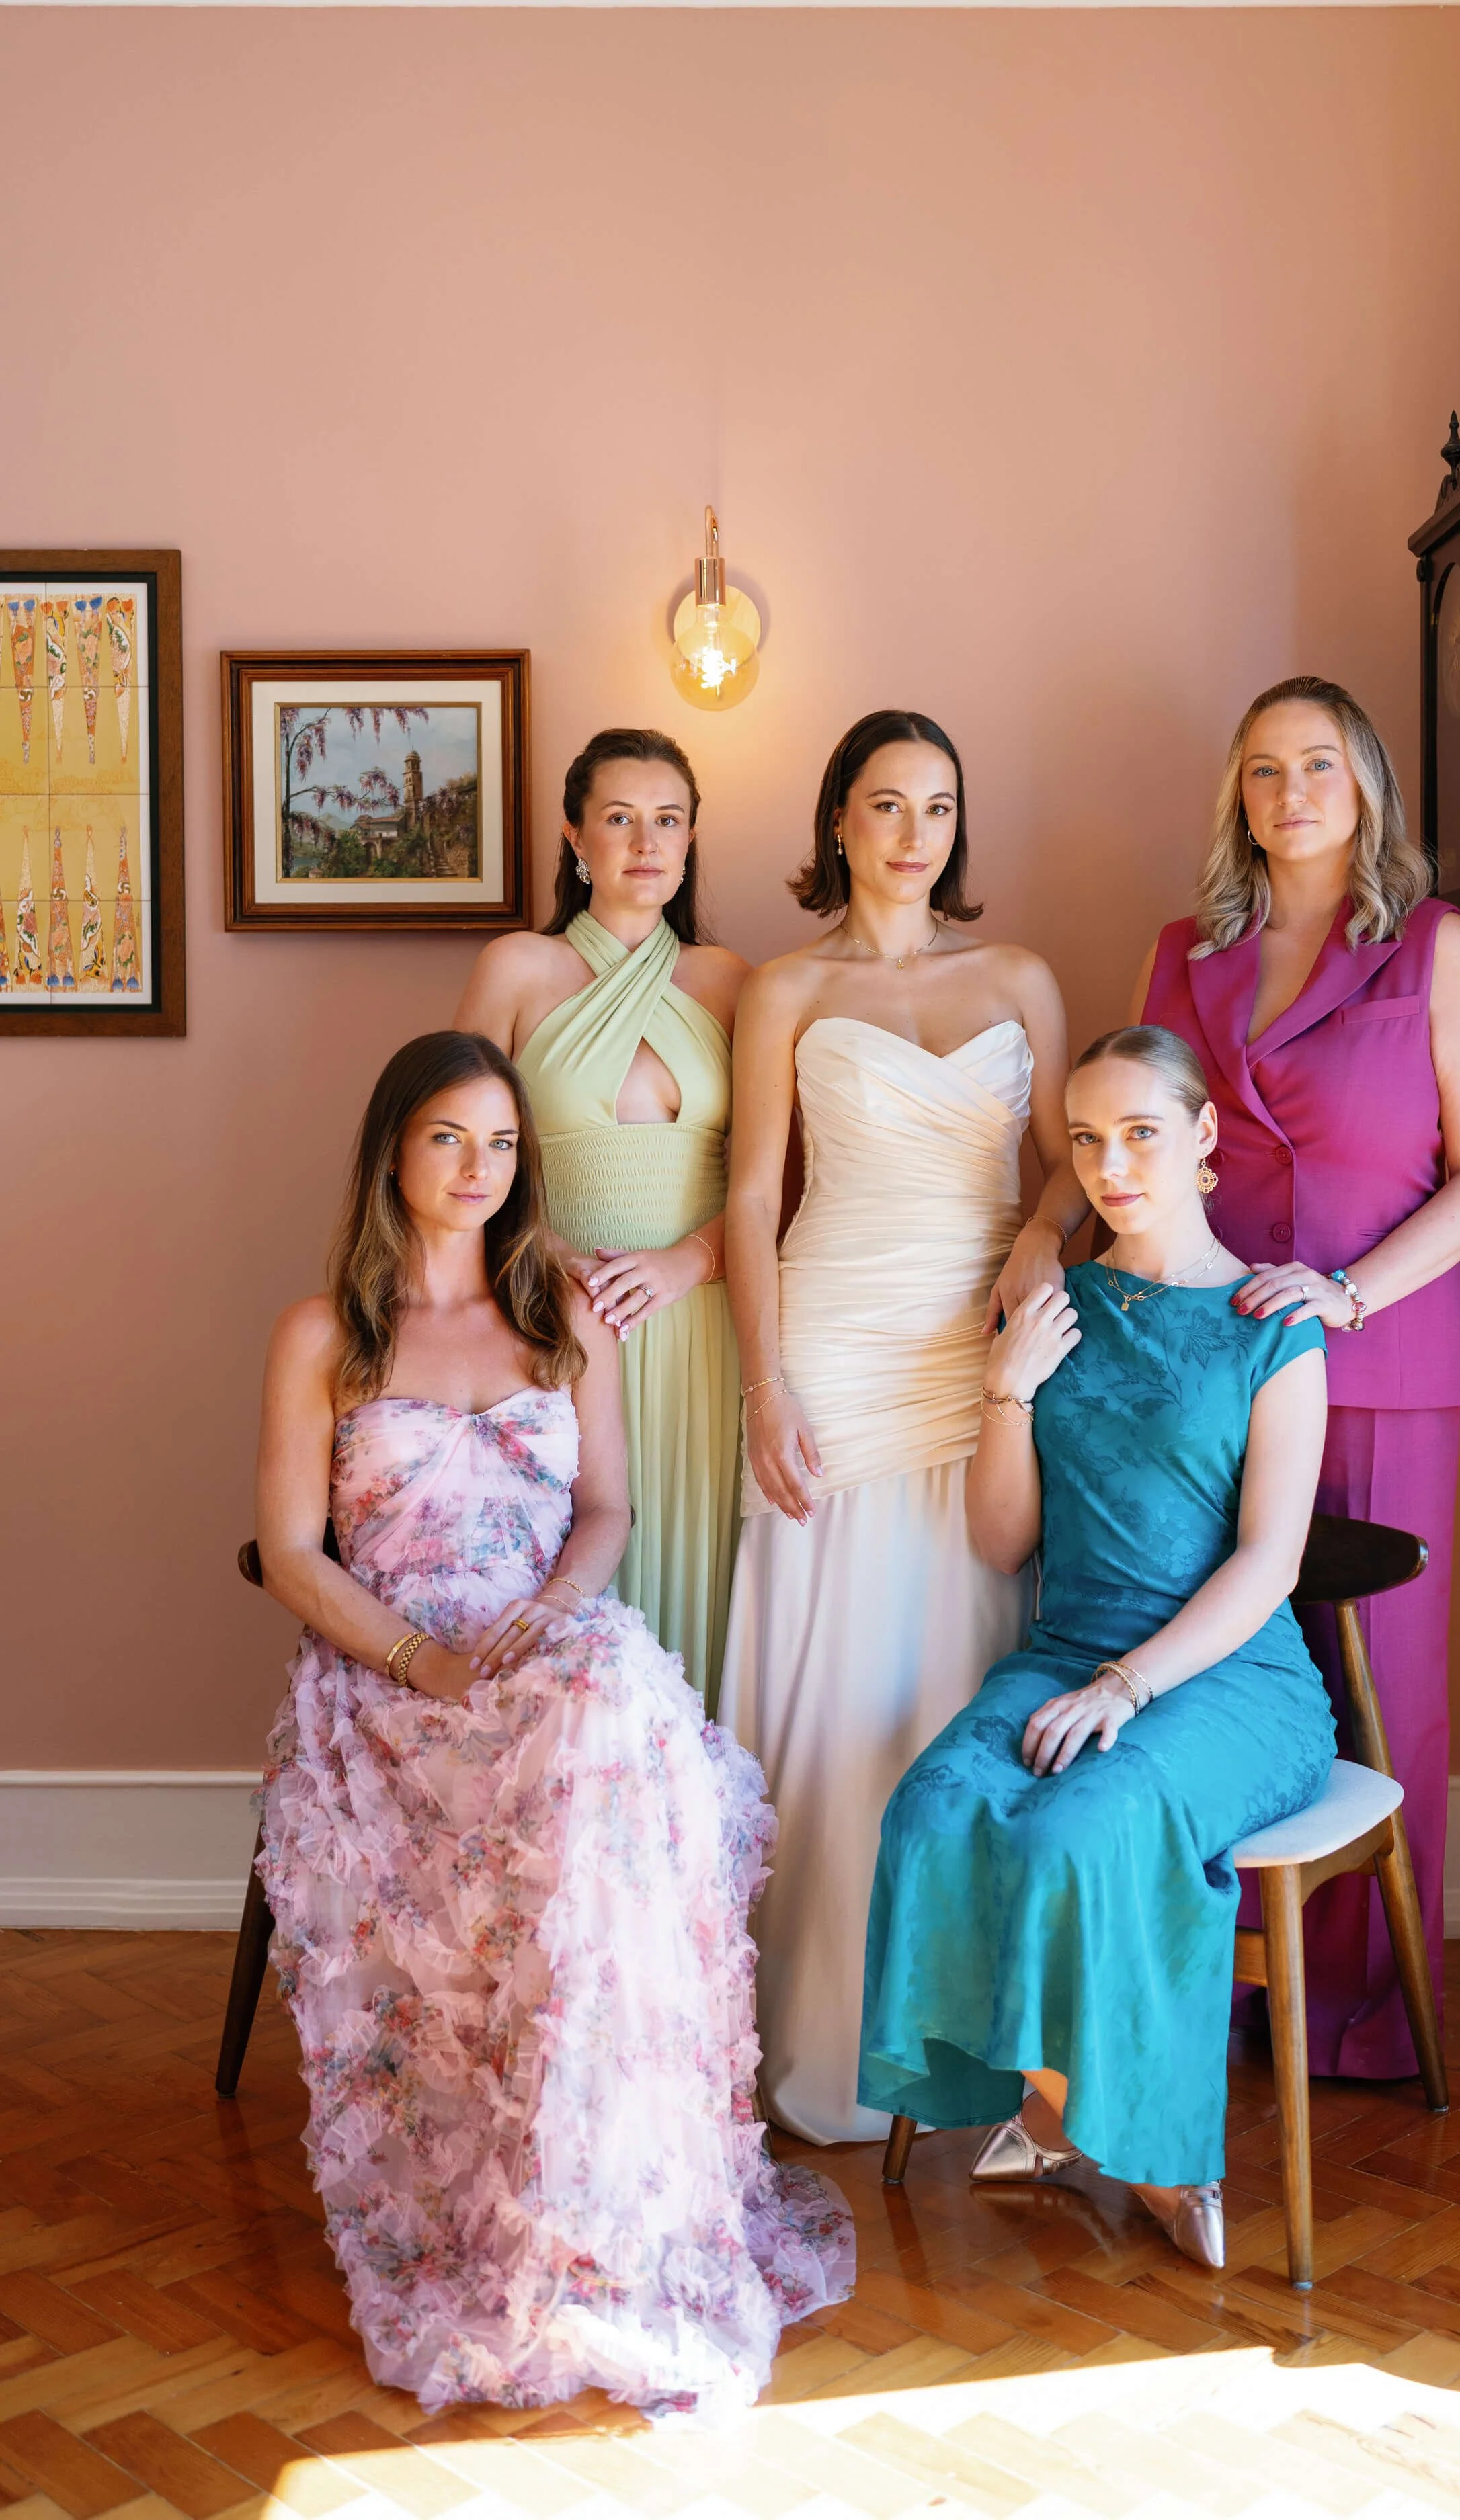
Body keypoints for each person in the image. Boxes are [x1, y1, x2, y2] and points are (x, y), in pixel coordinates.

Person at [253, 1030, 851, 2418]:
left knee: (607, 1722)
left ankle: (602, 2206)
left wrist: (556, 1611)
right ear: (393, 1153)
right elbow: (289, 1552)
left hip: (545, 1639)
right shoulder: (321, 1335)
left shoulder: (562, 1315)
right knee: (576, 1733)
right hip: (390, 1672)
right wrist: (414, 1656)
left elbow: (605, 1516)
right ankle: (487, 2200)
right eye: (449, 1139)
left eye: (503, 1145)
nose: (477, 1169)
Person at [858, 1027, 1335, 2268]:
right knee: (931, 1807)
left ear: (1203, 1136)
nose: (1113, 1165)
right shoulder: (1055, 1306)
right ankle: (1057, 2111)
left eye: (1140, 1134)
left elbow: (1270, 1562)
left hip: (1234, 1681)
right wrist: (1004, 1391)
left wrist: (1130, 1685)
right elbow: (1000, 1538)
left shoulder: (1271, 1322)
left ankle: (1161, 2152)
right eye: (1087, 1141)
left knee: (1088, 1822)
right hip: (1062, 1644)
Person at [1133, 673, 1460, 2078]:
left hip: (1382, 1365)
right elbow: (1133, 1135)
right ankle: (1229, 1983)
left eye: (1315, 766)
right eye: (1259, 771)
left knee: (1382, 1686)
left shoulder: (1435, 949)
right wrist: (1035, 1253)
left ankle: (1363, 2010)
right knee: (1221, 1671)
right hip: (1209, 1370)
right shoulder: (1181, 953)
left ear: (1364, 788)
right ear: (1235, 798)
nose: (1287, 793)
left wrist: (1348, 1295)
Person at [719, 708, 1089, 2144]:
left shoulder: (1017, 975)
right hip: (834, 1341)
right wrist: (765, 1379)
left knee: (958, 1665)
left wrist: (1036, 1246)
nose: (913, 831)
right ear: (835, 823)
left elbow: (1063, 1165)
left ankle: (964, 2046)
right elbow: (753, 1197)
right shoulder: (783, 986)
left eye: (938, 805)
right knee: (830, 1688)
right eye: (885, 803)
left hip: (976, 1349)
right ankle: (815, 2040)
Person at [455, 730, 749, 1713]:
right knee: (568, 1589)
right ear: (575, 835)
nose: (645, 841)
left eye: (667, 819)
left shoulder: (731, 981)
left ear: (693, 836)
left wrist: (688, 1261)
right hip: (552, 1321)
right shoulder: (519, 968)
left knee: (698, 1580)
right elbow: (452, 1145)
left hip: (700, 1324)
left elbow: (776, 1175)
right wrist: (536, 1254)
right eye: (619, 818)